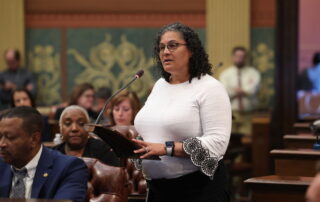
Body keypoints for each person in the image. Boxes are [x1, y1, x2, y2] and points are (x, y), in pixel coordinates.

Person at [132, 22, 231, 202]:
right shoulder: (160, 85)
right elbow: (156, 127)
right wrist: (132, 144)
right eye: (161, 47)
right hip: (158, 189)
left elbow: (217, 143)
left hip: (197, 189)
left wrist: (166, 148)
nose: (165, 52)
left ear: (191, 50)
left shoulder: (210, 88)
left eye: (173, 45)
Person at [0, 106, 88, 201]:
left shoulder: (69, 168)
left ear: (34, 139)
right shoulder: (1, 165)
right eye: (0, 137)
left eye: (10, 137)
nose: (2, 144)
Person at [52, 105, 120, 166]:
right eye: (68, 123)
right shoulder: (52, 155)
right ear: (60, 129)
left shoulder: (104, 151)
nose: (74, 128)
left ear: (88, 128)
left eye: (81, 123)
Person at [219, 46, 261, 136]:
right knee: (230, 140)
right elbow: (224, 91)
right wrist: (243, 90)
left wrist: (237, 90)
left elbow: (253, 89)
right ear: (233, 57)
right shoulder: (226, 74)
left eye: (242, 57)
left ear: (246, 58)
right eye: (237, 56)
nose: (240, 59)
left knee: (248, 140)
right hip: (231, 113)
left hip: (248, 113)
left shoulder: (253, 73)